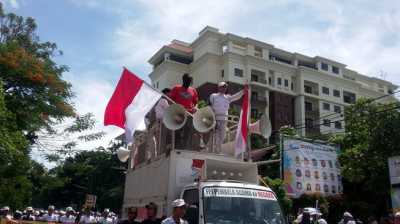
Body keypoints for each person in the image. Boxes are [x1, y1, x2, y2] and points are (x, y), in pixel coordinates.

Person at [209, 82, 245, 153]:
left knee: (222, 136)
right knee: (216, 136)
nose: (224, 88)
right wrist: (212, 118)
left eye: (225, 87)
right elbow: (210, 106)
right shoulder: (213, 95)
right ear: (218, 87)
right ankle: (215, 151)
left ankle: (218, 150)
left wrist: (243, 91)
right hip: (215, 119)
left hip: (224, 119)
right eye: (222, 87)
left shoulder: (227, 97)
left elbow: (236, 97)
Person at [169, 74, 199, 149]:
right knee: (178, 131)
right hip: (178, 113)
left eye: (190, 81)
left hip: (189, 114)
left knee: (188, 132)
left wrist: (195, 108)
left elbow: (196, 102)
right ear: (183, 80)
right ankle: (176, 147)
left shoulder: (193, 90)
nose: (188, 83)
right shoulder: (176, 88)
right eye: (187, 81)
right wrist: (176, 107)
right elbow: (170, 101)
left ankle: (186, 148)